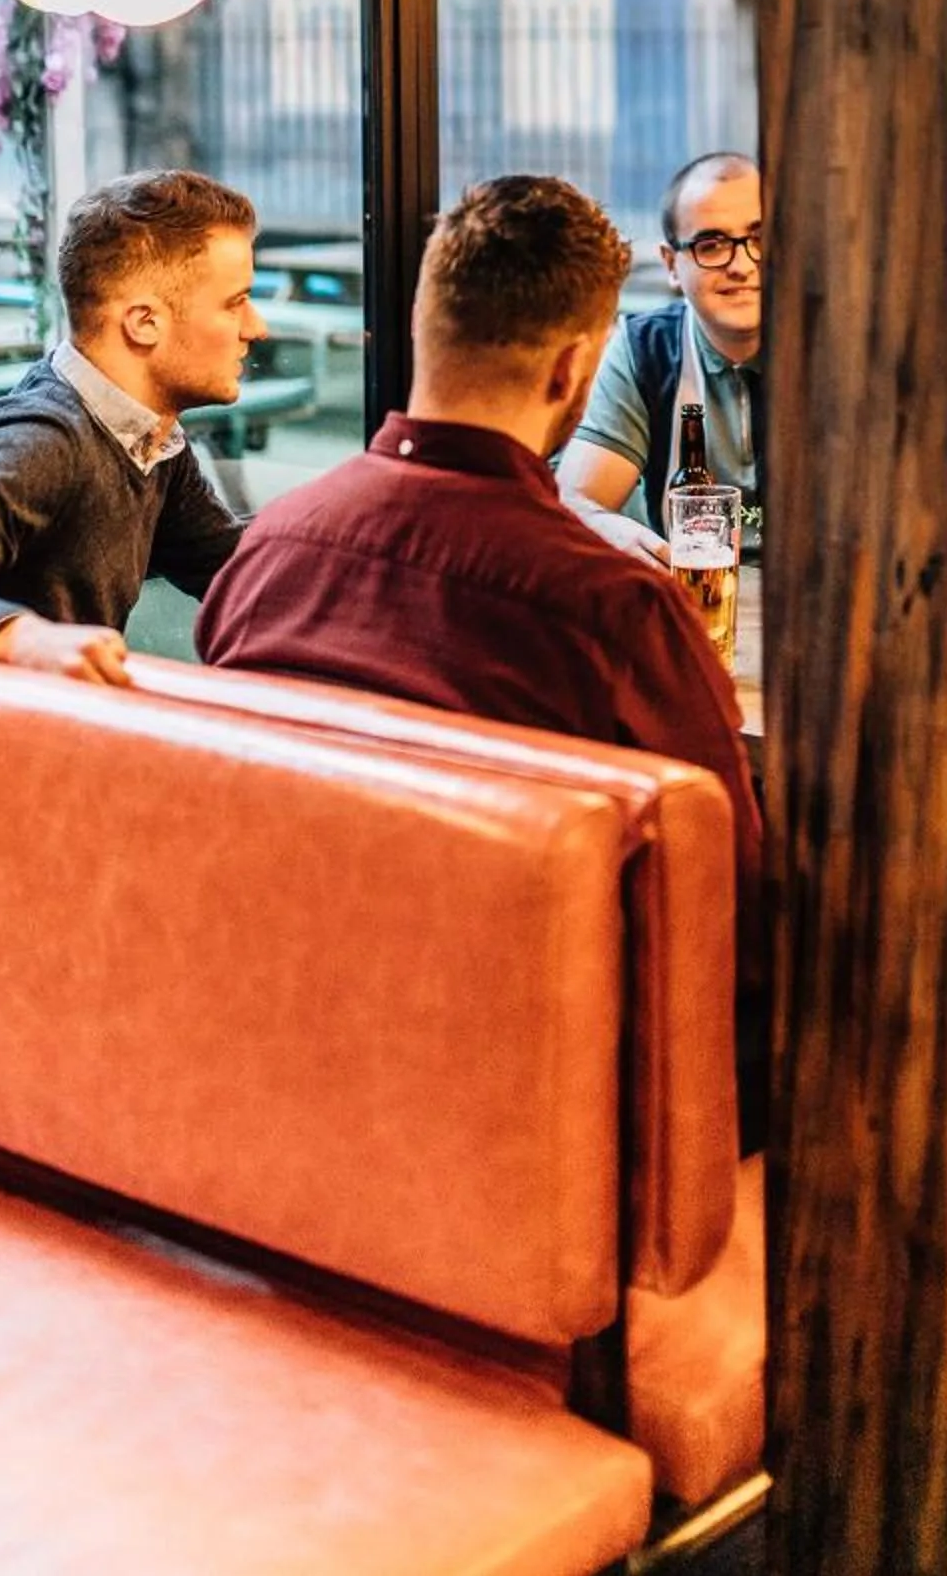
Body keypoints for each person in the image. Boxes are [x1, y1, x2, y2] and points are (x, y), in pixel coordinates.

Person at [195, 173, 765, 1024]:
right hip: (533, 1054)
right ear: (575, 368)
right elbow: (734, 916)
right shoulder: (613, 610)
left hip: (290, 1012)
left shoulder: (269, 551)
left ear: (429, 330)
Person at [0, 170, 262, 679]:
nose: (257, 327)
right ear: (144, 322)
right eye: (235, 303)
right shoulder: (45, 440)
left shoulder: (148, 440)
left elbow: (235, 568)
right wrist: (24, 639)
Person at [558, 148, 765, 563]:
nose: (741, 265)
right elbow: (574, 501)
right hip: (687, 604)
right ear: (672, 264)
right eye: (711, 244)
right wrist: (616, 535)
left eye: (759, 239)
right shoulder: (644, 349)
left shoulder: (835, 349)